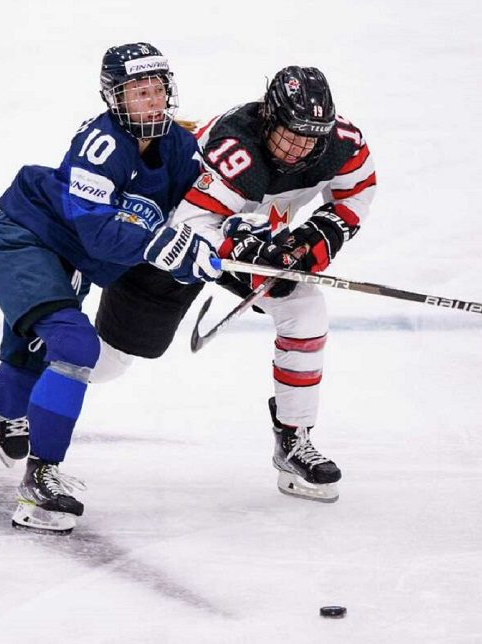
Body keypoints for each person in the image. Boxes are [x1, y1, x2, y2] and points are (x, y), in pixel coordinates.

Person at [0, 42, 220, 535]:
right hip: (23, 243)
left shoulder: (180, 149)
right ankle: (41, 479)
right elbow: (98, 233)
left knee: (16, 390)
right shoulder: (100, 144)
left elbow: (202, 210)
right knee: (76, 345)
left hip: (67, 268)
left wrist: (221, 243)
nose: (150, 101)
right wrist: (164, 244)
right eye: (137, 92)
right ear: (113, 98)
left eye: (157, 91)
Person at [99, 66, 377, 503]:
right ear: (269, 116)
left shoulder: (342, 144)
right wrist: (247, 248)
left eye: (312, 136)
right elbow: (192, 221)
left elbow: (357, 190)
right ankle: (20, 391)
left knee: (305, 310)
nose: (301, 147)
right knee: (110, 361)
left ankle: (293, 439)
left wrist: (314, 238)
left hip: (243, 236)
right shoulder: (235, 148)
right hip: (171, 245)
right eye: (291, 134)